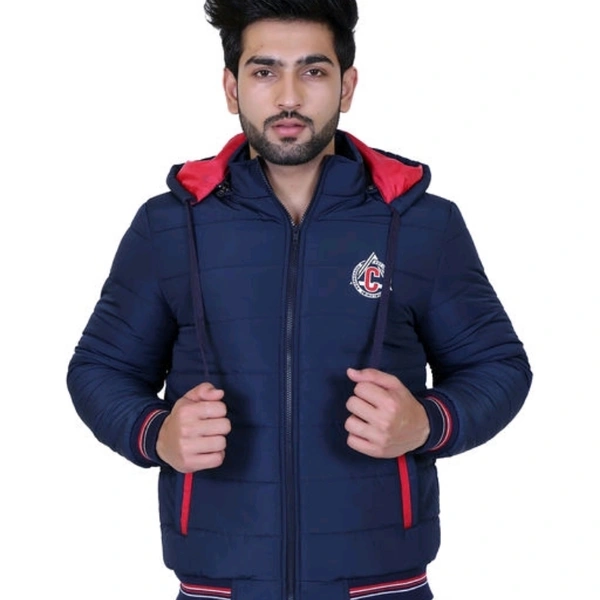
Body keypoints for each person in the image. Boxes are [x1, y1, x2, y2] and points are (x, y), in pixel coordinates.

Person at [67, 1, 532, 598]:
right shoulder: (169, 225)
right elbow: (100, 368)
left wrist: (426, 423)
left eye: (313, 71)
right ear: (232, 88)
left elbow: (497, 365)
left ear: (347, 86)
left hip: (382, 585)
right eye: (264, 72)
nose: (289, 97)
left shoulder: (422, 223)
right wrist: (155, 432)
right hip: (221, 585)